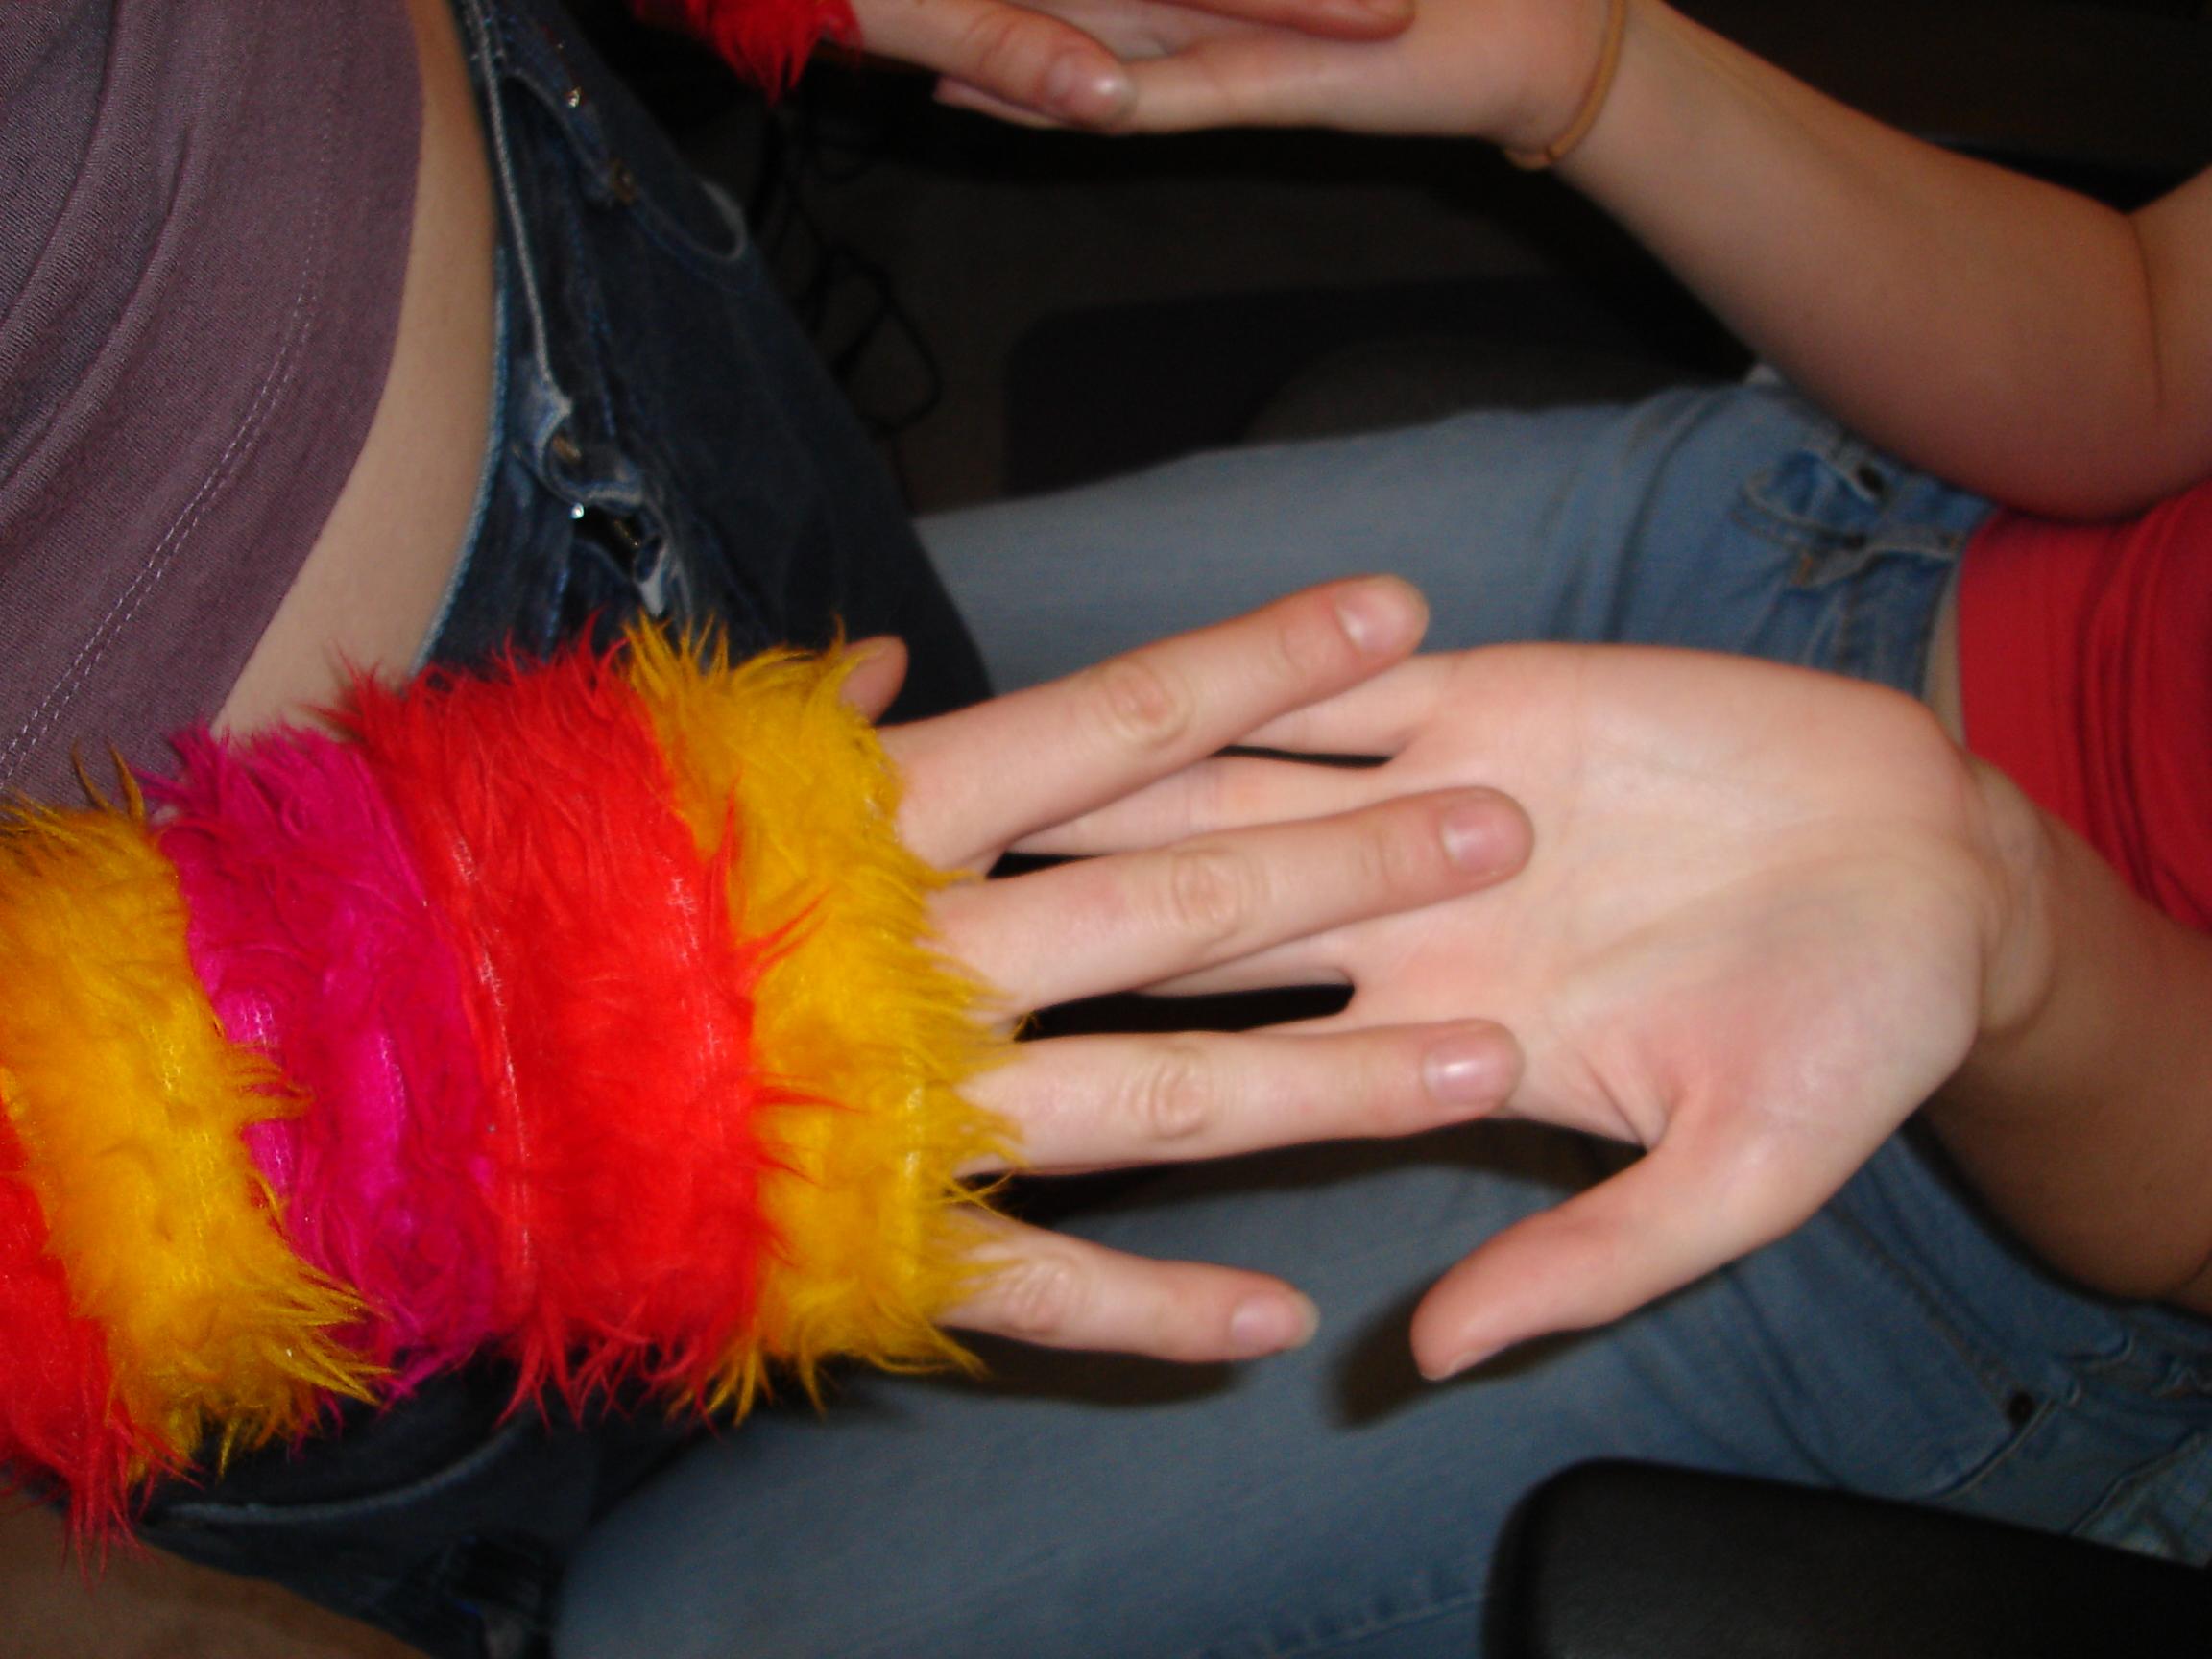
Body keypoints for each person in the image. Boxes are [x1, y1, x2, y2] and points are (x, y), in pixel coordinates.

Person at [549, 1, 2212, 1654]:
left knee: (662, 1629)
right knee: (708, 687)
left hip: (2024, 1176)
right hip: (1858, 542)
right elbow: (2143, 336)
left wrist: (2003, 915)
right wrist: (1592, 62)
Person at [0, 2, 1527, 1656]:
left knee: (1003, 1016)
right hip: (305, 1091)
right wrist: (392, 1062)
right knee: (658, 1531)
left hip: (554, 207)